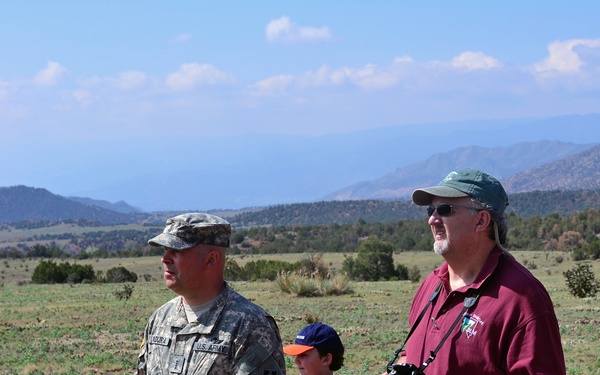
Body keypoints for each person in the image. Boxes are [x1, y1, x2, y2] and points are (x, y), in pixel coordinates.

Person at [387, 168, 566, 374]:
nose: (432, 220)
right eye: (431, 210)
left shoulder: (522, 299)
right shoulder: (432, 284)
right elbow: (412, 354)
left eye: (445, 209)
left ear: (481, 220)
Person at [137, 212, 286, 375]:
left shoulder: (250, 326)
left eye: (176, 251)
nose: (164, 259)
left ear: (211, 259)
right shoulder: (159, 319)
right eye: (165, 250)